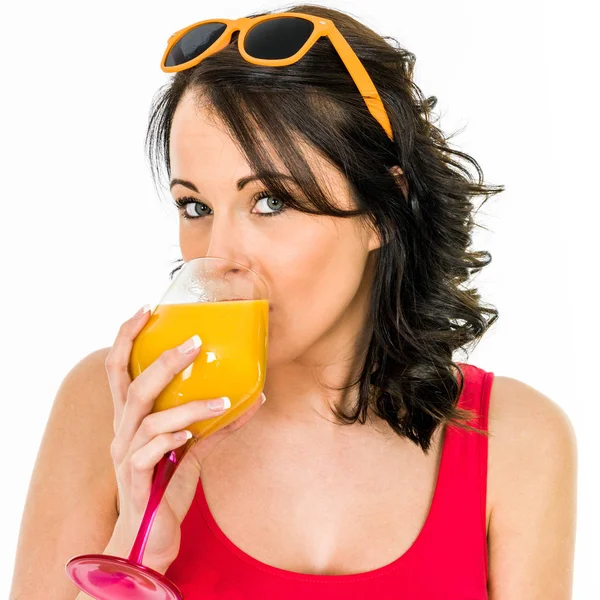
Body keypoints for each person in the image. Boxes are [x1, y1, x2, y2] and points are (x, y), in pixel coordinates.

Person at [10, 4, 577, 599]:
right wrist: (135, 549)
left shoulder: (517, 441)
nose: (220, 254)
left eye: (272, 201)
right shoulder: (113, 409)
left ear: (383, 210)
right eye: (195, 207)